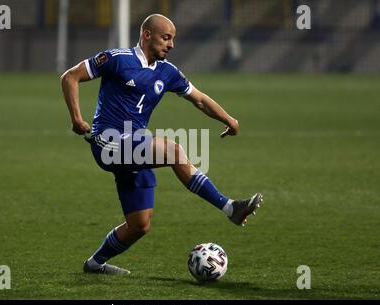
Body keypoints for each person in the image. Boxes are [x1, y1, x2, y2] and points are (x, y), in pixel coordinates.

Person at [61, 14, 263, 275]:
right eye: (166, 38)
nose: (171, 44)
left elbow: (199, 99)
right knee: (173, 150)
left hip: (135, 146)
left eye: (173, 39)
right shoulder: (117, 59)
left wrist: (228, 119)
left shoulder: (168, 72)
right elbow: (70, 77)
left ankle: (95, 264)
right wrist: (76, 118)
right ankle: (230, 207)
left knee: (139, 225)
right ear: (147, 35)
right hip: (107, 142)